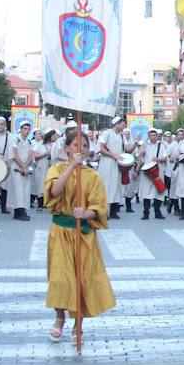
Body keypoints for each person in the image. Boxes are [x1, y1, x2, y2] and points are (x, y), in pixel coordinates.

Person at [44, 126, 116, 341]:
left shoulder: (92, 176)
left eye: (84, 146)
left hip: (82, 234)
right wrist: (72, 166)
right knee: (60, 278)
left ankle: (78, 323)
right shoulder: (56, 169)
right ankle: (59, 318)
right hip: (60, 232)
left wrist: (87, 213)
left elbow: (100, 207)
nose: (80, 149)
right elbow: (54, 192)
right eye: (76, 145)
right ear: (67, 148)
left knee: (81, 278)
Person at [94, 115, 127, 220]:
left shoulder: (122, 136)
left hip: (118, 164)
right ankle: (104, 212)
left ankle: (114, 211)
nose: (124, 126)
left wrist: (136, 142)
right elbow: (101, 148)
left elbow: (128, 149)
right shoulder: (106, 133)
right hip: (107, 163)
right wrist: (113, 155)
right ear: (116, 124)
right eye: (122, 124)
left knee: (116, 186)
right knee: (106, 186)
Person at [137, 127, 169, 220]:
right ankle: (146, 213)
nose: (153, 137)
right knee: (146, 192)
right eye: (151, 135)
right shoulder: (145, 145)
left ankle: (157, 212)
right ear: (148, 136)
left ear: (157, 136)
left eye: (154, 135)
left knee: (158, 191)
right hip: (147, 172)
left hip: (158, 171)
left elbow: (165, 158)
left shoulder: (162, 146)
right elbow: (140, 155)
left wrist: (158, 159)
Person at [8, 122, 34, 221]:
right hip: (17, 168)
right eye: (25, 128)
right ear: (21, 129)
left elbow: (31, 155)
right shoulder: (15, 139)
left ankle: (22, 210)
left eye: (28, 129)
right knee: (17, 190)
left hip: (25, 169)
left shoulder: (29, 141)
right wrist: (22, 166)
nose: (26, 131)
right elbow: (14, 154)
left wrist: (26, 166)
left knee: (25, 190)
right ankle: (18, 211)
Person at [31, 130, 54, 211]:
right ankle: (40, 204)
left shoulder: (54, 145)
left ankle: (47, 202)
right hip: (41, 166)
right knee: (41, 184)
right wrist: (45, 154)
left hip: (50, 167)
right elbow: (35, 156)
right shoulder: (39, 145)